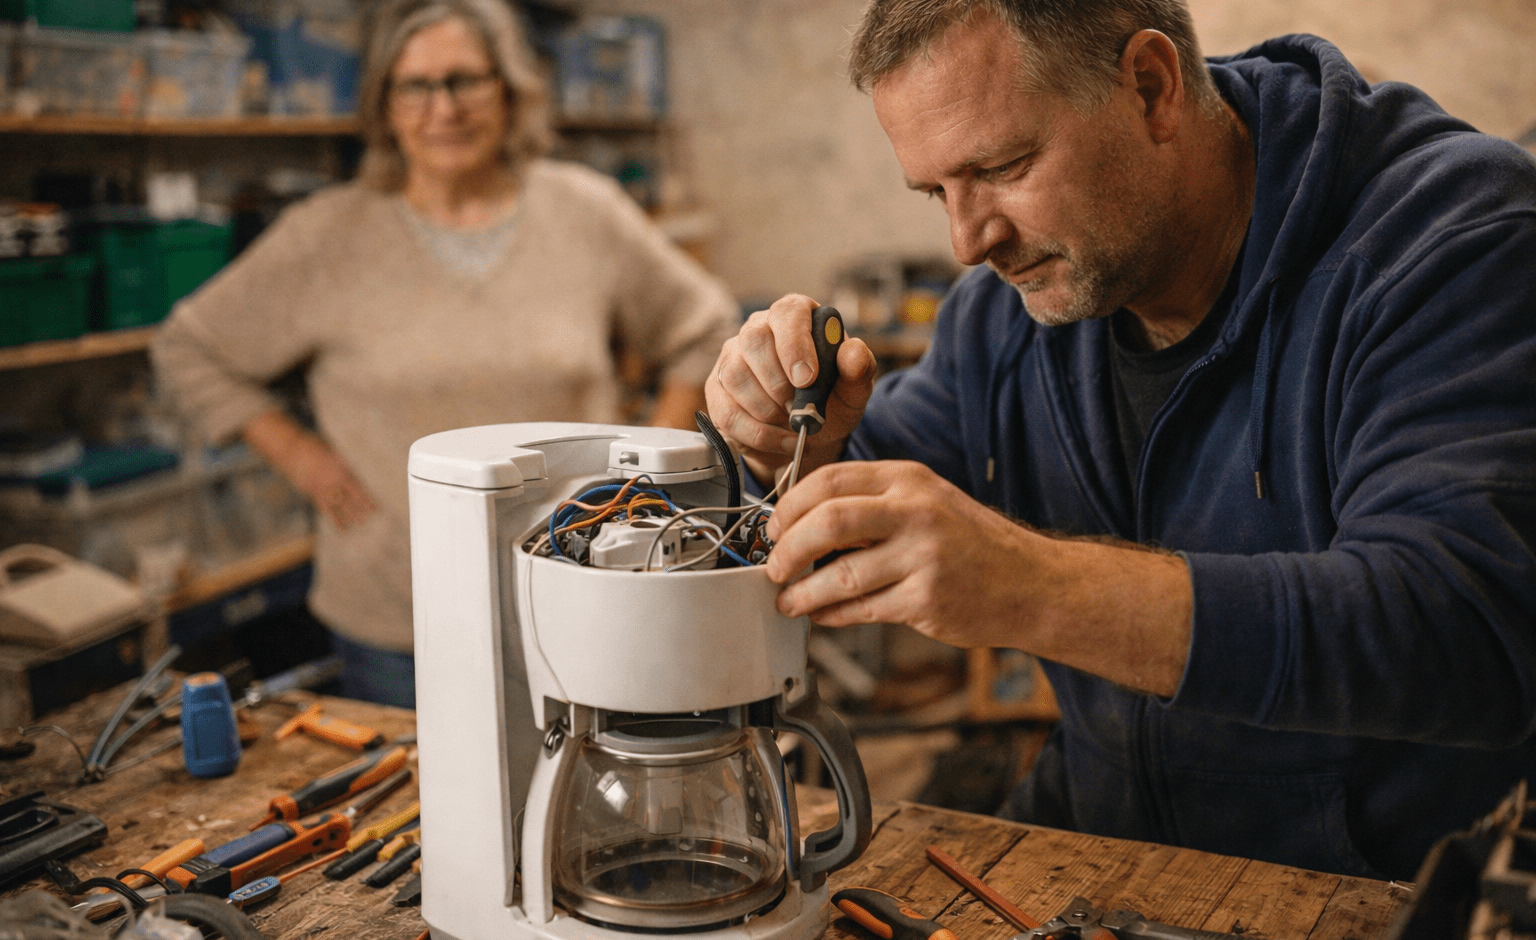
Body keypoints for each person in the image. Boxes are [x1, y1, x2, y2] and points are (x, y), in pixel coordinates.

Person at [708, 0, 1536, 880]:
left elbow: (1471, 625)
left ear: (1151, 86)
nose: (966, 240)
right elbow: (874, 477)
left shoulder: (1450, 237)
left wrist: (1035, 586)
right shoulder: (1010, 312)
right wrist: (778, 446)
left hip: (1370, 887)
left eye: (1004, 166)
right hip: (1101, 847)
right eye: (937, 192)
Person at [153, 0, 738, 708]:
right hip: (396, 613)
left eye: (465, 80)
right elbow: (189, 346)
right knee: (416, 816)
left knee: (581, 810)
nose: (444, 107)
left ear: (508, 89)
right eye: (417, 85)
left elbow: (705, 325)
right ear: (385, 105)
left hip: (580, 592)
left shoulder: (585, 211)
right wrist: (298, 455)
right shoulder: (327, 235)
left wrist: (653, 459)